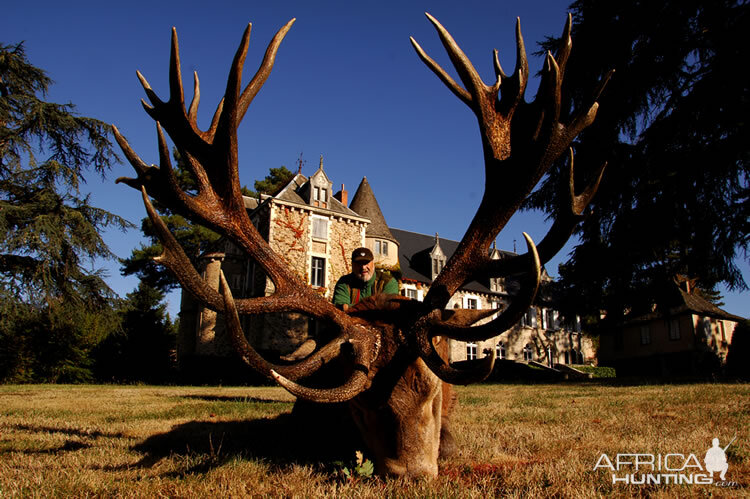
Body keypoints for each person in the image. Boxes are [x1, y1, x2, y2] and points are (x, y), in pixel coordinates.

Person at [333, 247, 398, 310]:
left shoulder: (388, 282)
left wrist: (350, 307)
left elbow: (388, 310)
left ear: (373, 263)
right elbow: (340, 310)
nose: (363, 267)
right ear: (352, 265)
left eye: (366, 263)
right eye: (359, 263)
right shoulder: (344, 283)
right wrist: (375, 307)